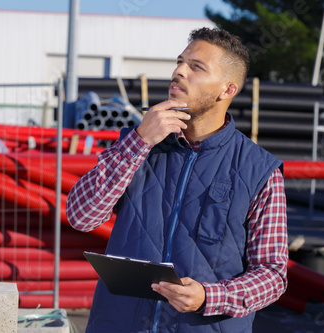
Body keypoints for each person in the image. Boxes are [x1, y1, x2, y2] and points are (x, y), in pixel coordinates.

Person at [66, 27, 288, 333]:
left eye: (196, 67)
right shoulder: (139, 144)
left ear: (227, 90)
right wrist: (140, 140)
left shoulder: (259, 170)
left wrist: (210, 296)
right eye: (180, 61)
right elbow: (81, 215)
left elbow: (273, 275)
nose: (179, 71)